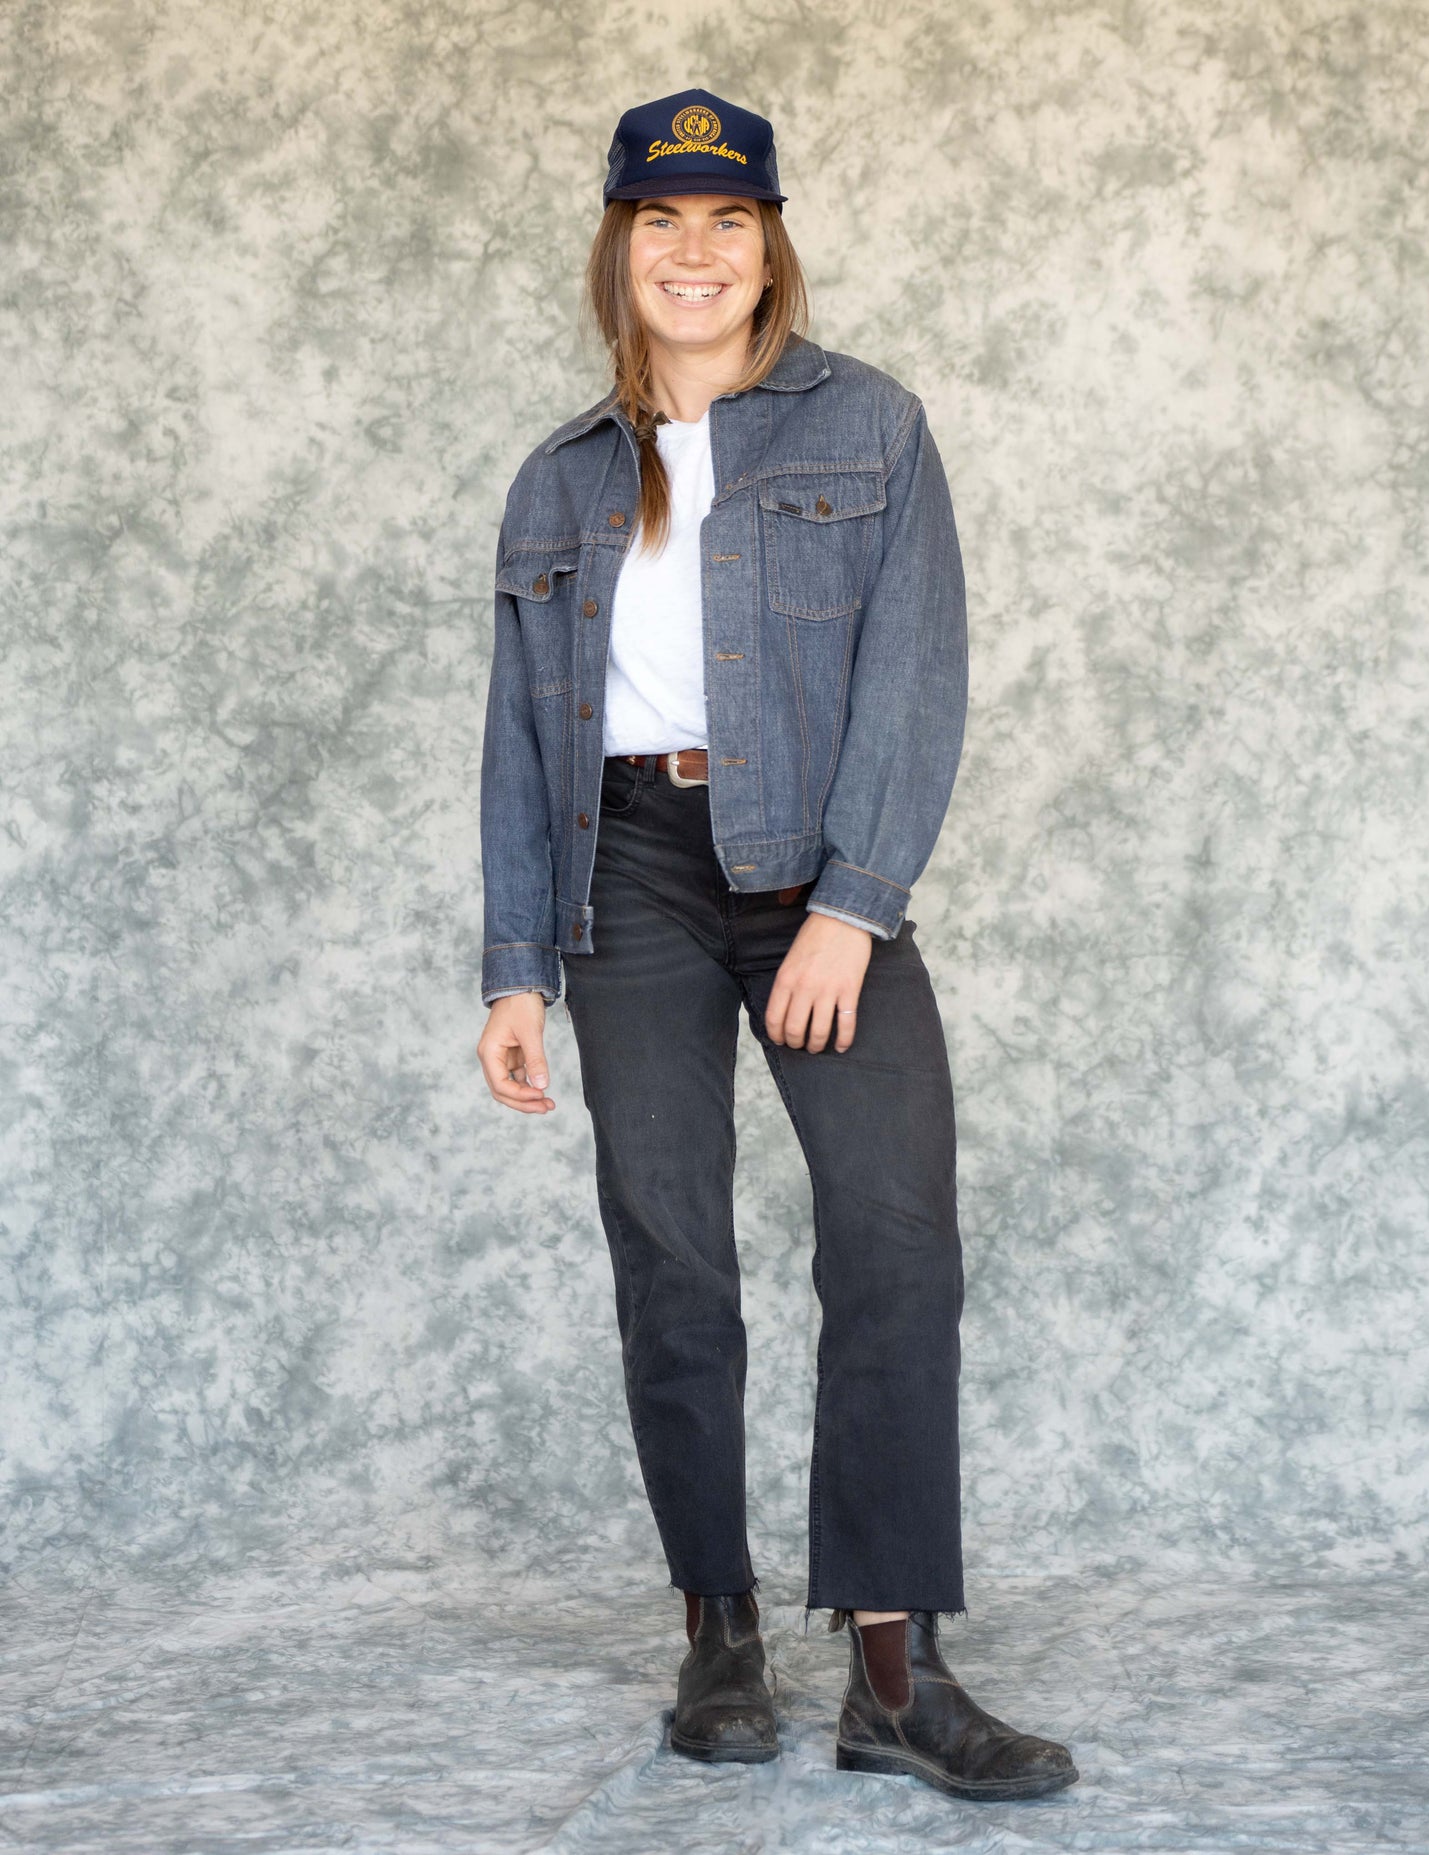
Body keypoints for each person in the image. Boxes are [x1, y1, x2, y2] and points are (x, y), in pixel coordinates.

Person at [475, 87, 1079, 1804]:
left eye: (726, 221)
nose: (693, 251)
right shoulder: (558, 482)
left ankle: (896, 1677)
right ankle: (717, 1634)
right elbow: (523, 739)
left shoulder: (870, 431)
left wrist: (851, 905)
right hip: (628, 879)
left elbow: (917, 675)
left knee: (894, 1245)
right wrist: (517, 964)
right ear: (620, 249)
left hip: (816, 865)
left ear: (769, 245)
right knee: (670, 1252)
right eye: (660, 223)